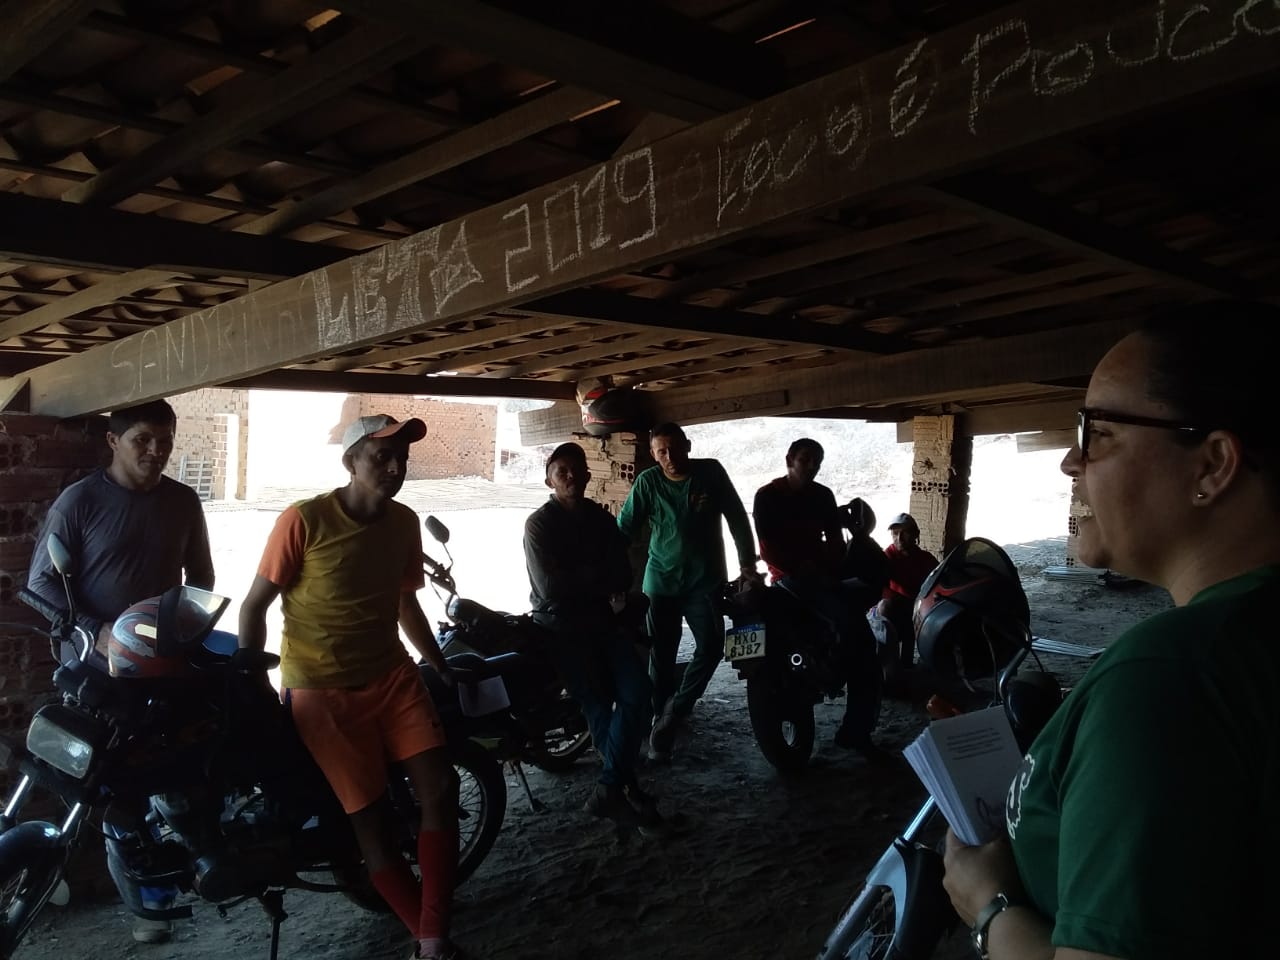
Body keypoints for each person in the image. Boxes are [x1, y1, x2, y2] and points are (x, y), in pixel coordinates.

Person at [942, 301, 1280, 960]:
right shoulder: (1245, 641)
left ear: (1212, 465)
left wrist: (989, 909)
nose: (1072, 461)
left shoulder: (1167, 676)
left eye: (1098, 431)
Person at [237, 414, 463, 960]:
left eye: (401, 458)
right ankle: (430, 941)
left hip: (393, 676)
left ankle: (432, 939)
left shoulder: (405, 523)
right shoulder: (304, 520)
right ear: (350, 462)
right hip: (322, 691)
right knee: (371, 826)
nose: (395, 467)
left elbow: (405, 603)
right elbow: (254, 607)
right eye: (381, 457)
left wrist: (440, 664)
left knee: (441, 790)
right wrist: (255, 684)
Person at [27, 398, 213, 945]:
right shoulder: (79, 501)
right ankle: (138, 906)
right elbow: (38, 585)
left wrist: (184, 628)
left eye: (165, 441)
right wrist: (96, 628)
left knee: (170, 782)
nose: (156, 451)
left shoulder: (183, 501)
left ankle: (180, 883)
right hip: (95, 673)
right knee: (107, 793)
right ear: (113, 441)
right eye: (142, 440)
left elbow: (201, 578)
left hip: (161, 670)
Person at [523, 442, 663, 831]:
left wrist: (581, 577)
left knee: (638, 692)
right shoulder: (539, 525)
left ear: (588, 475)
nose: (570, 476)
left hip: (603, 623)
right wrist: (596, 576)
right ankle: (624, 789)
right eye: (561, 471)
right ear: (549, 480)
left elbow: (623, 574)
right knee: (598, 706)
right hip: (563, 630)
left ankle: (610, 788)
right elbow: (549, 588)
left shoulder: (601, 520)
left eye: (576, 469)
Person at [617, 422, 761, 760]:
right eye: (662, 452)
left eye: (675, 449)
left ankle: (676, 710)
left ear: (688, 446)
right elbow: (624, 529)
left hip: (705, 581)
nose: (670, 457)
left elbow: (737, 518)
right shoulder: (648, 482)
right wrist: (608, 575)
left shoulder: (710, 473)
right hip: (661, 583)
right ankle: (660, 721)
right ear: (653, 455)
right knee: (661, 655)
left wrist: (747, 565)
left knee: (711, 648)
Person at [752, 441, 887, 759]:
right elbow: (767, 547)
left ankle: (854, 722)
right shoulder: (768, 496)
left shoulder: (822, 495)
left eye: (817, 461)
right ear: (789, 460)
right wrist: (806, 569)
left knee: (857, 636)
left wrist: (831, 565)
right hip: (788, 578)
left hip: (817, 577)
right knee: (859, 638)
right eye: (805, 460)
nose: (811, 466)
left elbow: (836, 540)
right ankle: (856, 731)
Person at [878, 512, 938, 670]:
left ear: (916, 534)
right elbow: (879, 586)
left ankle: (906, 665)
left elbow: (939, 579)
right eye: (895, 533)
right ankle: (889, 666)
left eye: (905, 533)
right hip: (895, 607)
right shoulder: (886, 557)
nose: (899, 538)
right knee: (885, 607)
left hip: (916, 608)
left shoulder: (925, 559)